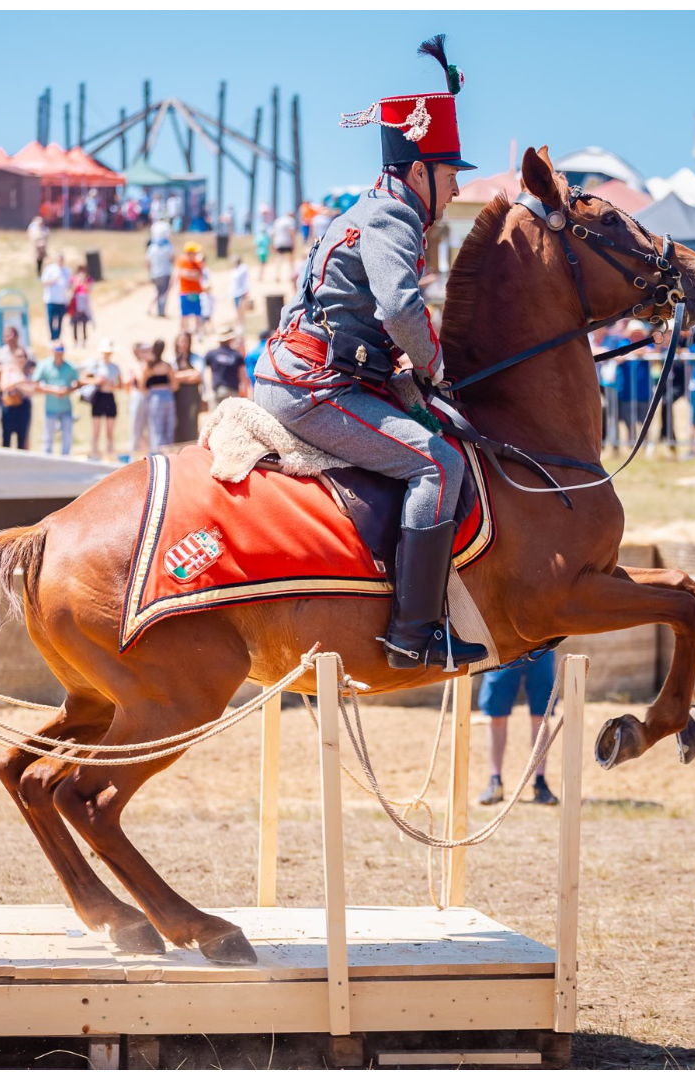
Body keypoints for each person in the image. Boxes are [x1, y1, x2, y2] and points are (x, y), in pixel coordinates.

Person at [255, 34, 486, 671]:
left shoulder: (379, 209)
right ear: (418, 171)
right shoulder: (393, 218)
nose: (456, 191)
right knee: (438, 465)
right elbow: (401, 309)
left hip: (319, 370)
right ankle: (413, 635)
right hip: (313, 387)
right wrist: (434, 366)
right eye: (449, 176)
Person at [474, 647, 561, 806]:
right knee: (497, 713)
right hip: (504, 641)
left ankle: (540, 783)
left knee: (541, 715)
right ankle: (495, 781)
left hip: (542, 640)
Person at [0, 326, 35, 450]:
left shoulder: (28, 352)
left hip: (23, 402)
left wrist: (21, 383)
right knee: (5, 435)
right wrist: (19, 382)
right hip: (7, 401)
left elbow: (32, 385)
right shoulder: (0, 354)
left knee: (23, 436)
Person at [34, 342, 80, 455]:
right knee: (48, 435)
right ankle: (47, 459)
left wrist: (67, 390)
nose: (58, 354)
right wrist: (53, 390)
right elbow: (36, 383)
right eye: (56, 351)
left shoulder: (70, 367)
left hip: (66, 408)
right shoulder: (44, 365)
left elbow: (77, 383)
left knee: (67, 435)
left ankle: (66, 459)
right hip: (51, 408)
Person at [82, 338, 124, 460]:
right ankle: (94, 455)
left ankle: (109, 456)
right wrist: (97, 381)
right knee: (96, 430)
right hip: (98, 397)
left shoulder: (115, 367)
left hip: (109, 396)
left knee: (110, 431)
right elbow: (83, 379)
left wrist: (112, 385)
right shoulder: (95, 365)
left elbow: (121, 385)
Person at [170, 332, 205, 443]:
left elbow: (198, 376)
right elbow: (172, 377)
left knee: (191, 421)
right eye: (181, 341)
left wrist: (179, 376)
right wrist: (188, 375)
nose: (184, 344)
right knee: (177, 422)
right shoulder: (172, 360)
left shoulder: (196, 358)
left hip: (192, 394)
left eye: (186, 341)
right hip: (177, 395)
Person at [142, 340, 178, 450]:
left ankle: (158, 454)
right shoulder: (167, 366)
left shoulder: (149, 366)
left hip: (155, 398)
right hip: (168, 397)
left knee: (156, 428)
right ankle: (168, 453)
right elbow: (175, 385)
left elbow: (142, 384)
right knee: (169, 426)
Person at [203, 324, 249, 404]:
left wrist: (208, 390)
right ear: (231, 339)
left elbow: (208, 374)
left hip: (217, 389)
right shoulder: (236, 355)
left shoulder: (211, 354)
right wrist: (245, 393)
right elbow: (242, 375)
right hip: (233, 390)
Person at [175, 242, 208, 335]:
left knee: (197, 313)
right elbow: (182, 274)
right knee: (184, 314)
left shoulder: (197, 263)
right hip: (185, 292)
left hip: (195, 292)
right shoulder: (182, 261)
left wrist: (191, 274)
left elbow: (199, 275)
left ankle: (197, 332)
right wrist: (193, 274)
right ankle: (183, 332)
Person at [146, 231, 175, 318]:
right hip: (165, 272)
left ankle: (152, 307)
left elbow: (148, 261)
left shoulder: (152, 247)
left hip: (154, 273)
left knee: (158, 292)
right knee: (163, 293)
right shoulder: (168, 247)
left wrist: (149, 272)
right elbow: (173, 258)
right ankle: (161, 311)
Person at [40, 257, 69, 341]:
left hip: (62, 300)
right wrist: (53, 281)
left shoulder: (66, 270)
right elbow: (44, 282)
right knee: (51, 319)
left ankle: (58, 337)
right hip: (51, 300)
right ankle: (52, 336)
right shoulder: (49, 269)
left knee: (60, 320)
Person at [68, 263, 95, 345]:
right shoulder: (74, 279)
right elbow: (72, 289)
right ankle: (75, 340)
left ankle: (84, 341)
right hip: (76, 304)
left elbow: (89, 290)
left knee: (84, 324)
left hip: (84, 305)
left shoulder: (88, 279)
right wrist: (77, 283)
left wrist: (84, 282)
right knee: (75, 324)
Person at [271, 209, 297, 282]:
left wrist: (273, 243)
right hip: (288, 242)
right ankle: (292, 275)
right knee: (291, 259)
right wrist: (294, 243)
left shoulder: (278, 221)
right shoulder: (290, 221)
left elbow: (273, 233)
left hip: (278, 242)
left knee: (279, 259)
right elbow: (292, 232)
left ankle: (277, 275)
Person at [229, 255, 252, 321]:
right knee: (237, 309)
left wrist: (246, 290)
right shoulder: (234, 270)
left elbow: (245, 280)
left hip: (241, 291)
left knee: (241, 309)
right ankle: (239, 323)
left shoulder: (242, 269)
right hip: (234, 292)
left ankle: (241, 324)